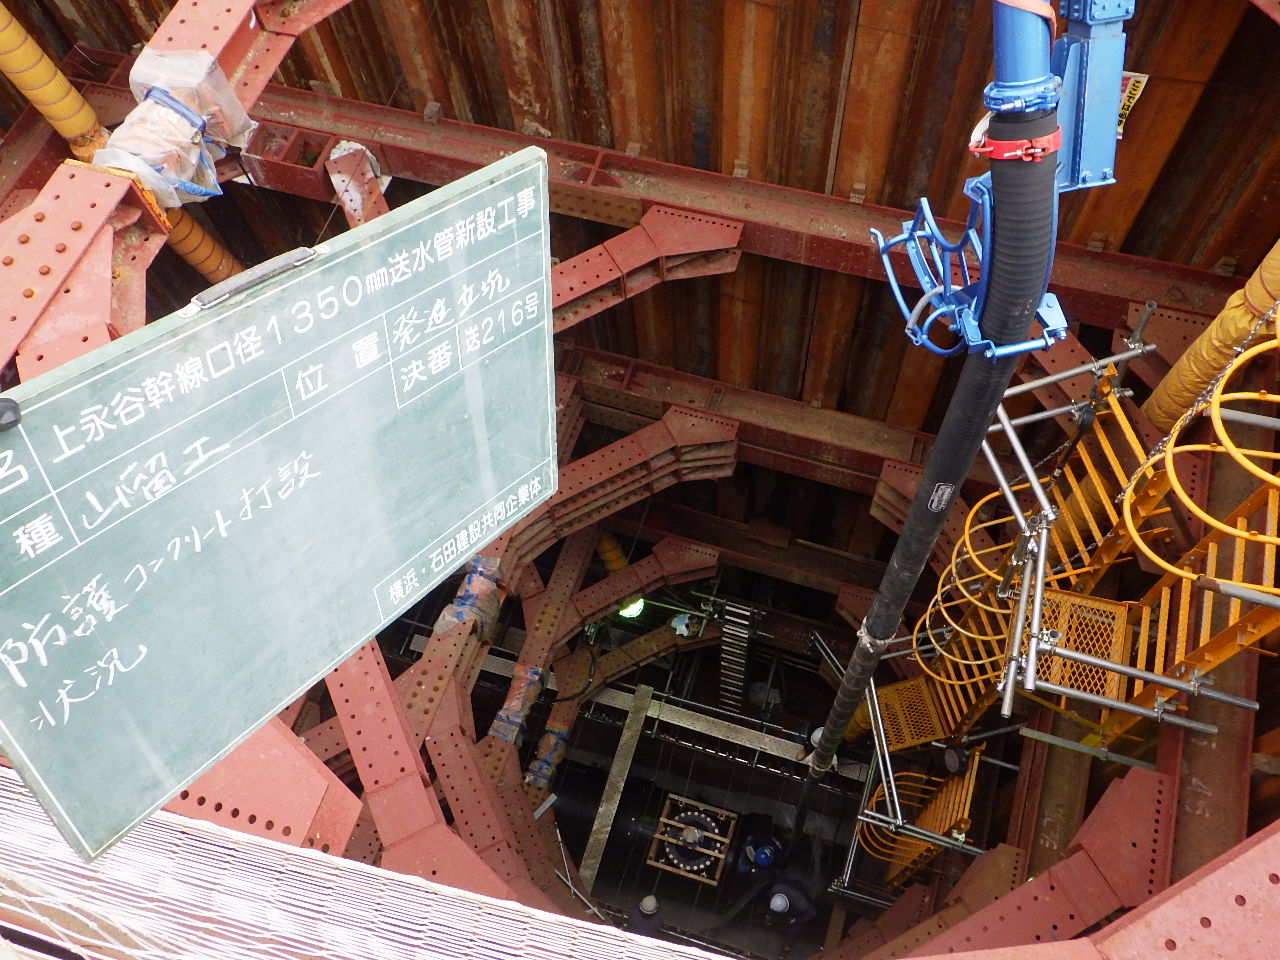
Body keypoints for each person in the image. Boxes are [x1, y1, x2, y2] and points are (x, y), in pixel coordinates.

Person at [767, 876, 817, 948]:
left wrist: (797, 920)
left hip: (802, 893)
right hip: (790, 888)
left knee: (794, 928)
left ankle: (787, 945)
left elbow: (813, 913)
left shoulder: (801, 904)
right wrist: (770, 914)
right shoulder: (775, 889)